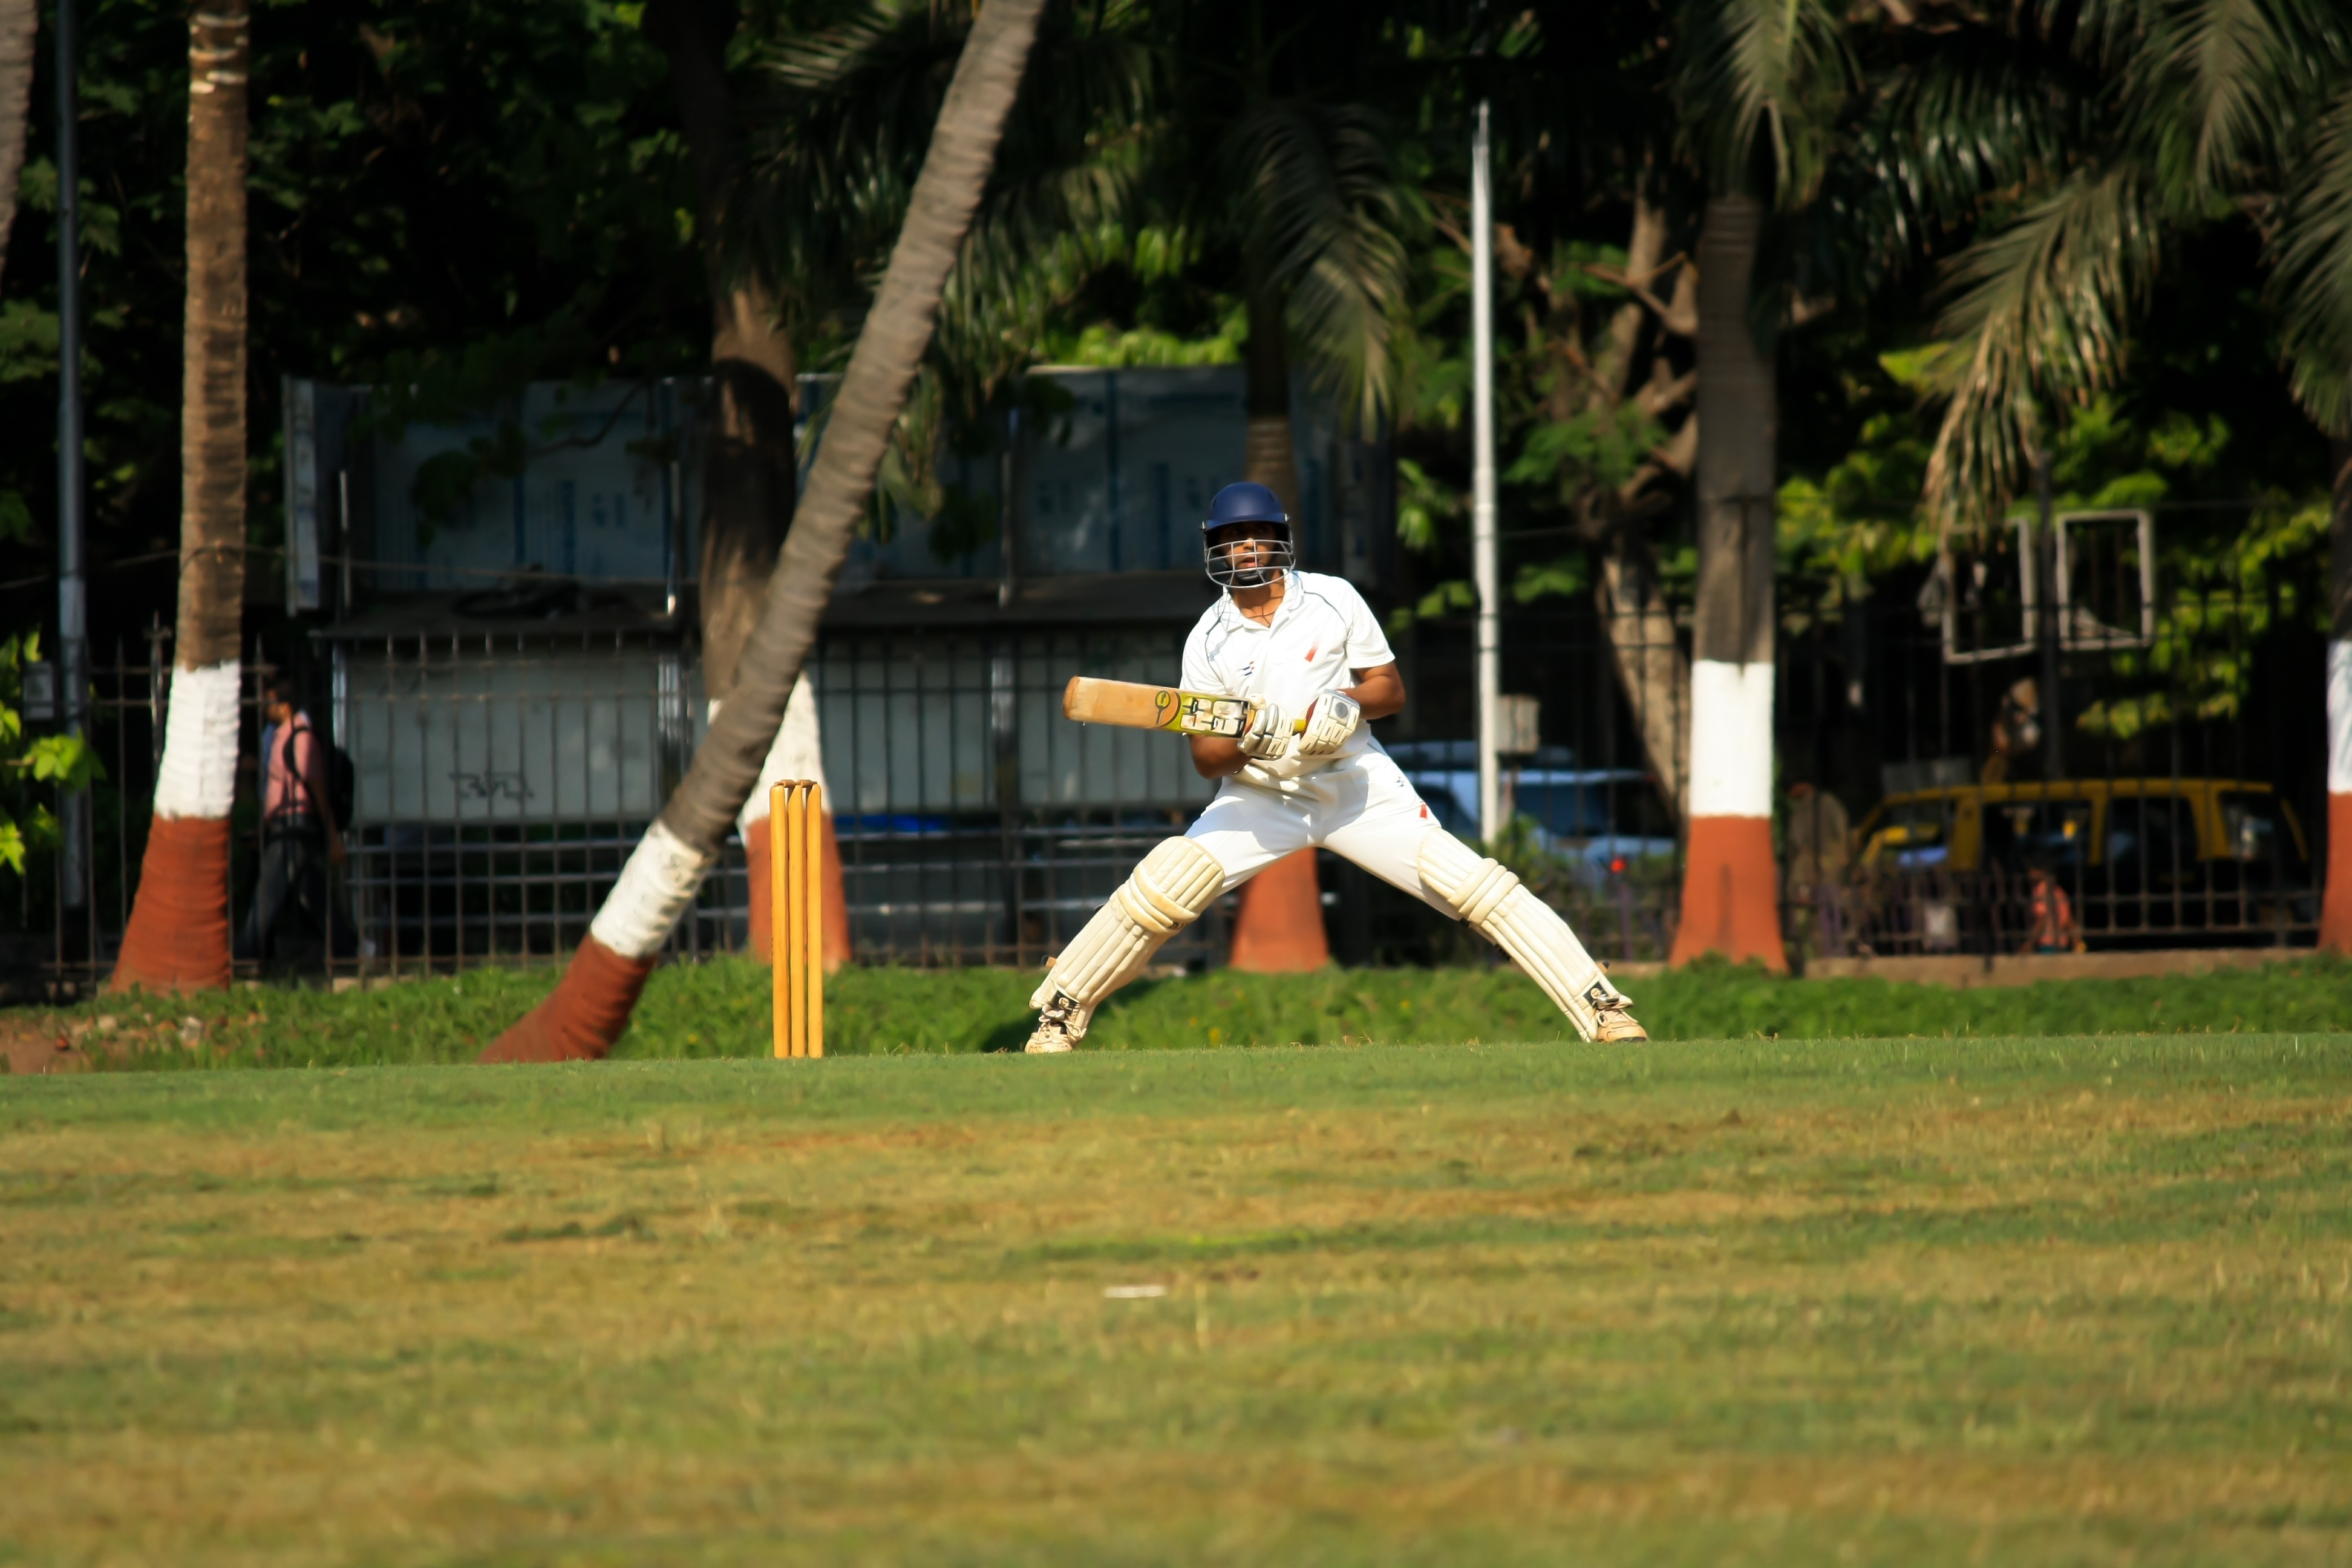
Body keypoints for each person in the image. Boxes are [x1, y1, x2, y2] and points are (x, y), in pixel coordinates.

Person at [1022, 481, 1645, 1053]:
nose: (1245, 550)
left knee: (1472, 884)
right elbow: (1208, 758)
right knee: (1165, 886)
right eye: (1231, 541)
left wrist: (1346, 702)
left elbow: (1389, 689)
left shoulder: (1332, 599)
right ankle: (1060, 1013)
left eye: (1257, 537)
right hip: (1261, 797)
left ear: (1279, 540)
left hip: (1355, 786)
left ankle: (1602, 1009)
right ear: (1215, 550)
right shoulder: (1207, 639)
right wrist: (1250, 737)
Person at [238, 676, 352, 964]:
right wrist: (263, 828)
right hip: (284, 823)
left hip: (296, 825)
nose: (265, 708)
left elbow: (317, 790)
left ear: (286, 706)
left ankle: (245, 953)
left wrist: (333, 837)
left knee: (269, 889)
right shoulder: (280, 737)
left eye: (271, 703)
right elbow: (276, 791)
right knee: (312, 891)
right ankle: (348, 947)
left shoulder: (301, 739)